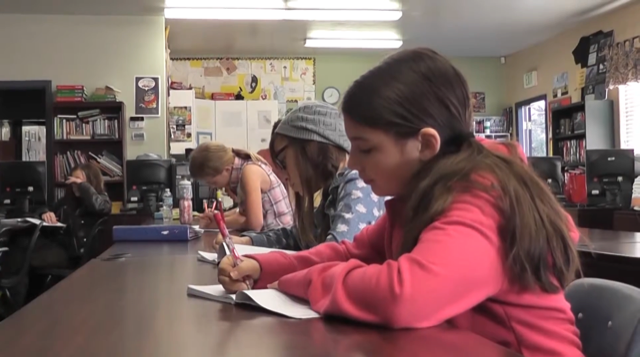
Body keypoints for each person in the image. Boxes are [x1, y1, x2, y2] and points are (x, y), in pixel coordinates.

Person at [217, 48, 584, 357]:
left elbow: (405, 296)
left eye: (367, 148)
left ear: (425, 145)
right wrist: (265, 270)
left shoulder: (484, 200)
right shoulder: (420, 197)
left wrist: (303, 281)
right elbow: (351, 253)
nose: (355, 164)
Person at [214, 102, 385, 251]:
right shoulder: (333, 190)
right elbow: (297, 238)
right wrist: (247, 242)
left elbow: (336, 254)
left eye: (283, 161)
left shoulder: (357, 183)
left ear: (310, 147)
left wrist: (264, 268)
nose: (284, 175)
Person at [1, 163, 111, 306]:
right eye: (73, 180)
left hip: (74, 254)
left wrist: (83, 186)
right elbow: (47, 207)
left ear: (90, 181)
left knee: (22, 254)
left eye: (78, 180)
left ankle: (11, 304)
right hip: (60, 246)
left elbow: (103, 207)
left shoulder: (100, 198)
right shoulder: (68, 201)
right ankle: (16, 301)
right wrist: (45, 213)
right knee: (19, 242)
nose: (74, 184)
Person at [189, 142, 293, 232]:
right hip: (270, 237)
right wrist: (218, 218)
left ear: (227, 170)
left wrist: (215, 225)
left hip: (280, 241)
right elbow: (243, 212)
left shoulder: (249, 172)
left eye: (213, 182)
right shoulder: (243, 169)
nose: (212, 187)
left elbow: (255, 224)